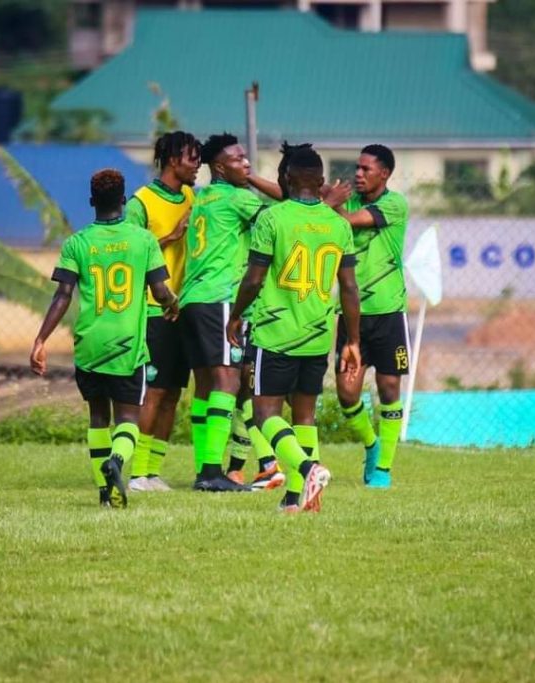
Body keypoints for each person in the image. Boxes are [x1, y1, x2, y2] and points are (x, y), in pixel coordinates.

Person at [30, 169, 179, 508]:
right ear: (124, 200)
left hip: (90, 344)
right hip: (128, 345)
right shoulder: (144, 240)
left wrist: (40, 340)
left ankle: (104, 493)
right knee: (128, 419)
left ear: (91, 201)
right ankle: (117, 462)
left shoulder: (77, 243)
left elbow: (63, 296)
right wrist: (172, 303)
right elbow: (160, 291)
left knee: (98, 417)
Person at [227, 148, 362, 513]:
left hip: (276, 333)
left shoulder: (273, 218)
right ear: (321, 182)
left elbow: (254, 278)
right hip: (318, 335)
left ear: (286, 179)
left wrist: (235, 315)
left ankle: (307, 469)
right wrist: (353, 340)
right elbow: (350, 288)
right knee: (304, 416)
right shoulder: (339, 225)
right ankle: (296, 497)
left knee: (264, 414)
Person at [180, 133, 267, 492]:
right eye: (238, 159)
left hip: (191, 299)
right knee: (228, 383)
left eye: (246, 158)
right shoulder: (238, 198)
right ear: (219, 167)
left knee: (204, 386)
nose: (246, 163)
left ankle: (205, 469)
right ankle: (213, 472)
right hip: (220, 299)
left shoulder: (201, 198)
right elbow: (282, 216)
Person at [324, 144, 410, 489]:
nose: (358, 174)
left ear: (384, 173)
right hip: (352, 315)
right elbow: (303, 195)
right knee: (347, 394)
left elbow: (348, 220)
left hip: (389, 313)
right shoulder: (346, 201)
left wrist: (330, 202)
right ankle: (372, 445)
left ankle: (383, 469)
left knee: (389, 388)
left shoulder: (395, 204)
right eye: (356, 168)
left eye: (366, 169)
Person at [124, 131, 200, 492]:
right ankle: (137, 474)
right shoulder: (140, 202)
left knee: (172, 394)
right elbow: (126, 253)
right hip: (155, 310)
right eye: (192, 158)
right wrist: (170, 237)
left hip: (185, 309)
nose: (197, 165)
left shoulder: (192, 197)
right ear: (172, 160)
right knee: (153, 391)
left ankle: (153, 472)